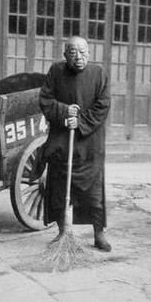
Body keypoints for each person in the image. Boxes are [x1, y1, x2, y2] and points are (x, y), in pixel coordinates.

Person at [39, 36, 111, 252]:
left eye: (83, 52)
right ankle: (63, 232)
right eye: (73, 53)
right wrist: (63, 112)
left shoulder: (99, 74)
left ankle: (99, 234)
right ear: (65, 55)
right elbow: (45, 100)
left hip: (90, 141)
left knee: (94, 193)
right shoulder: (56, 71)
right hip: (62, 140)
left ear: (89, 53)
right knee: (60, 189)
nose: (78, 57)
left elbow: (103, 104)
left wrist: (79, 121)